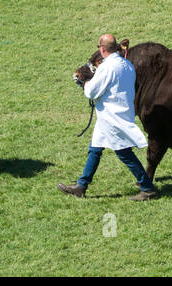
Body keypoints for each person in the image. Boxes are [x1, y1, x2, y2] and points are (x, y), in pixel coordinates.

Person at [57, 34, 158, 200]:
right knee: (95, 149)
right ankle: (81, 186)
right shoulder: (127, 65)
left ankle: (147, 188)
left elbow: (91, 92)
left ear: (102, 49)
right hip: (118, 113)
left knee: (124, 153)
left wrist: (84, 83)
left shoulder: (107, 67)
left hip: (112, 117)